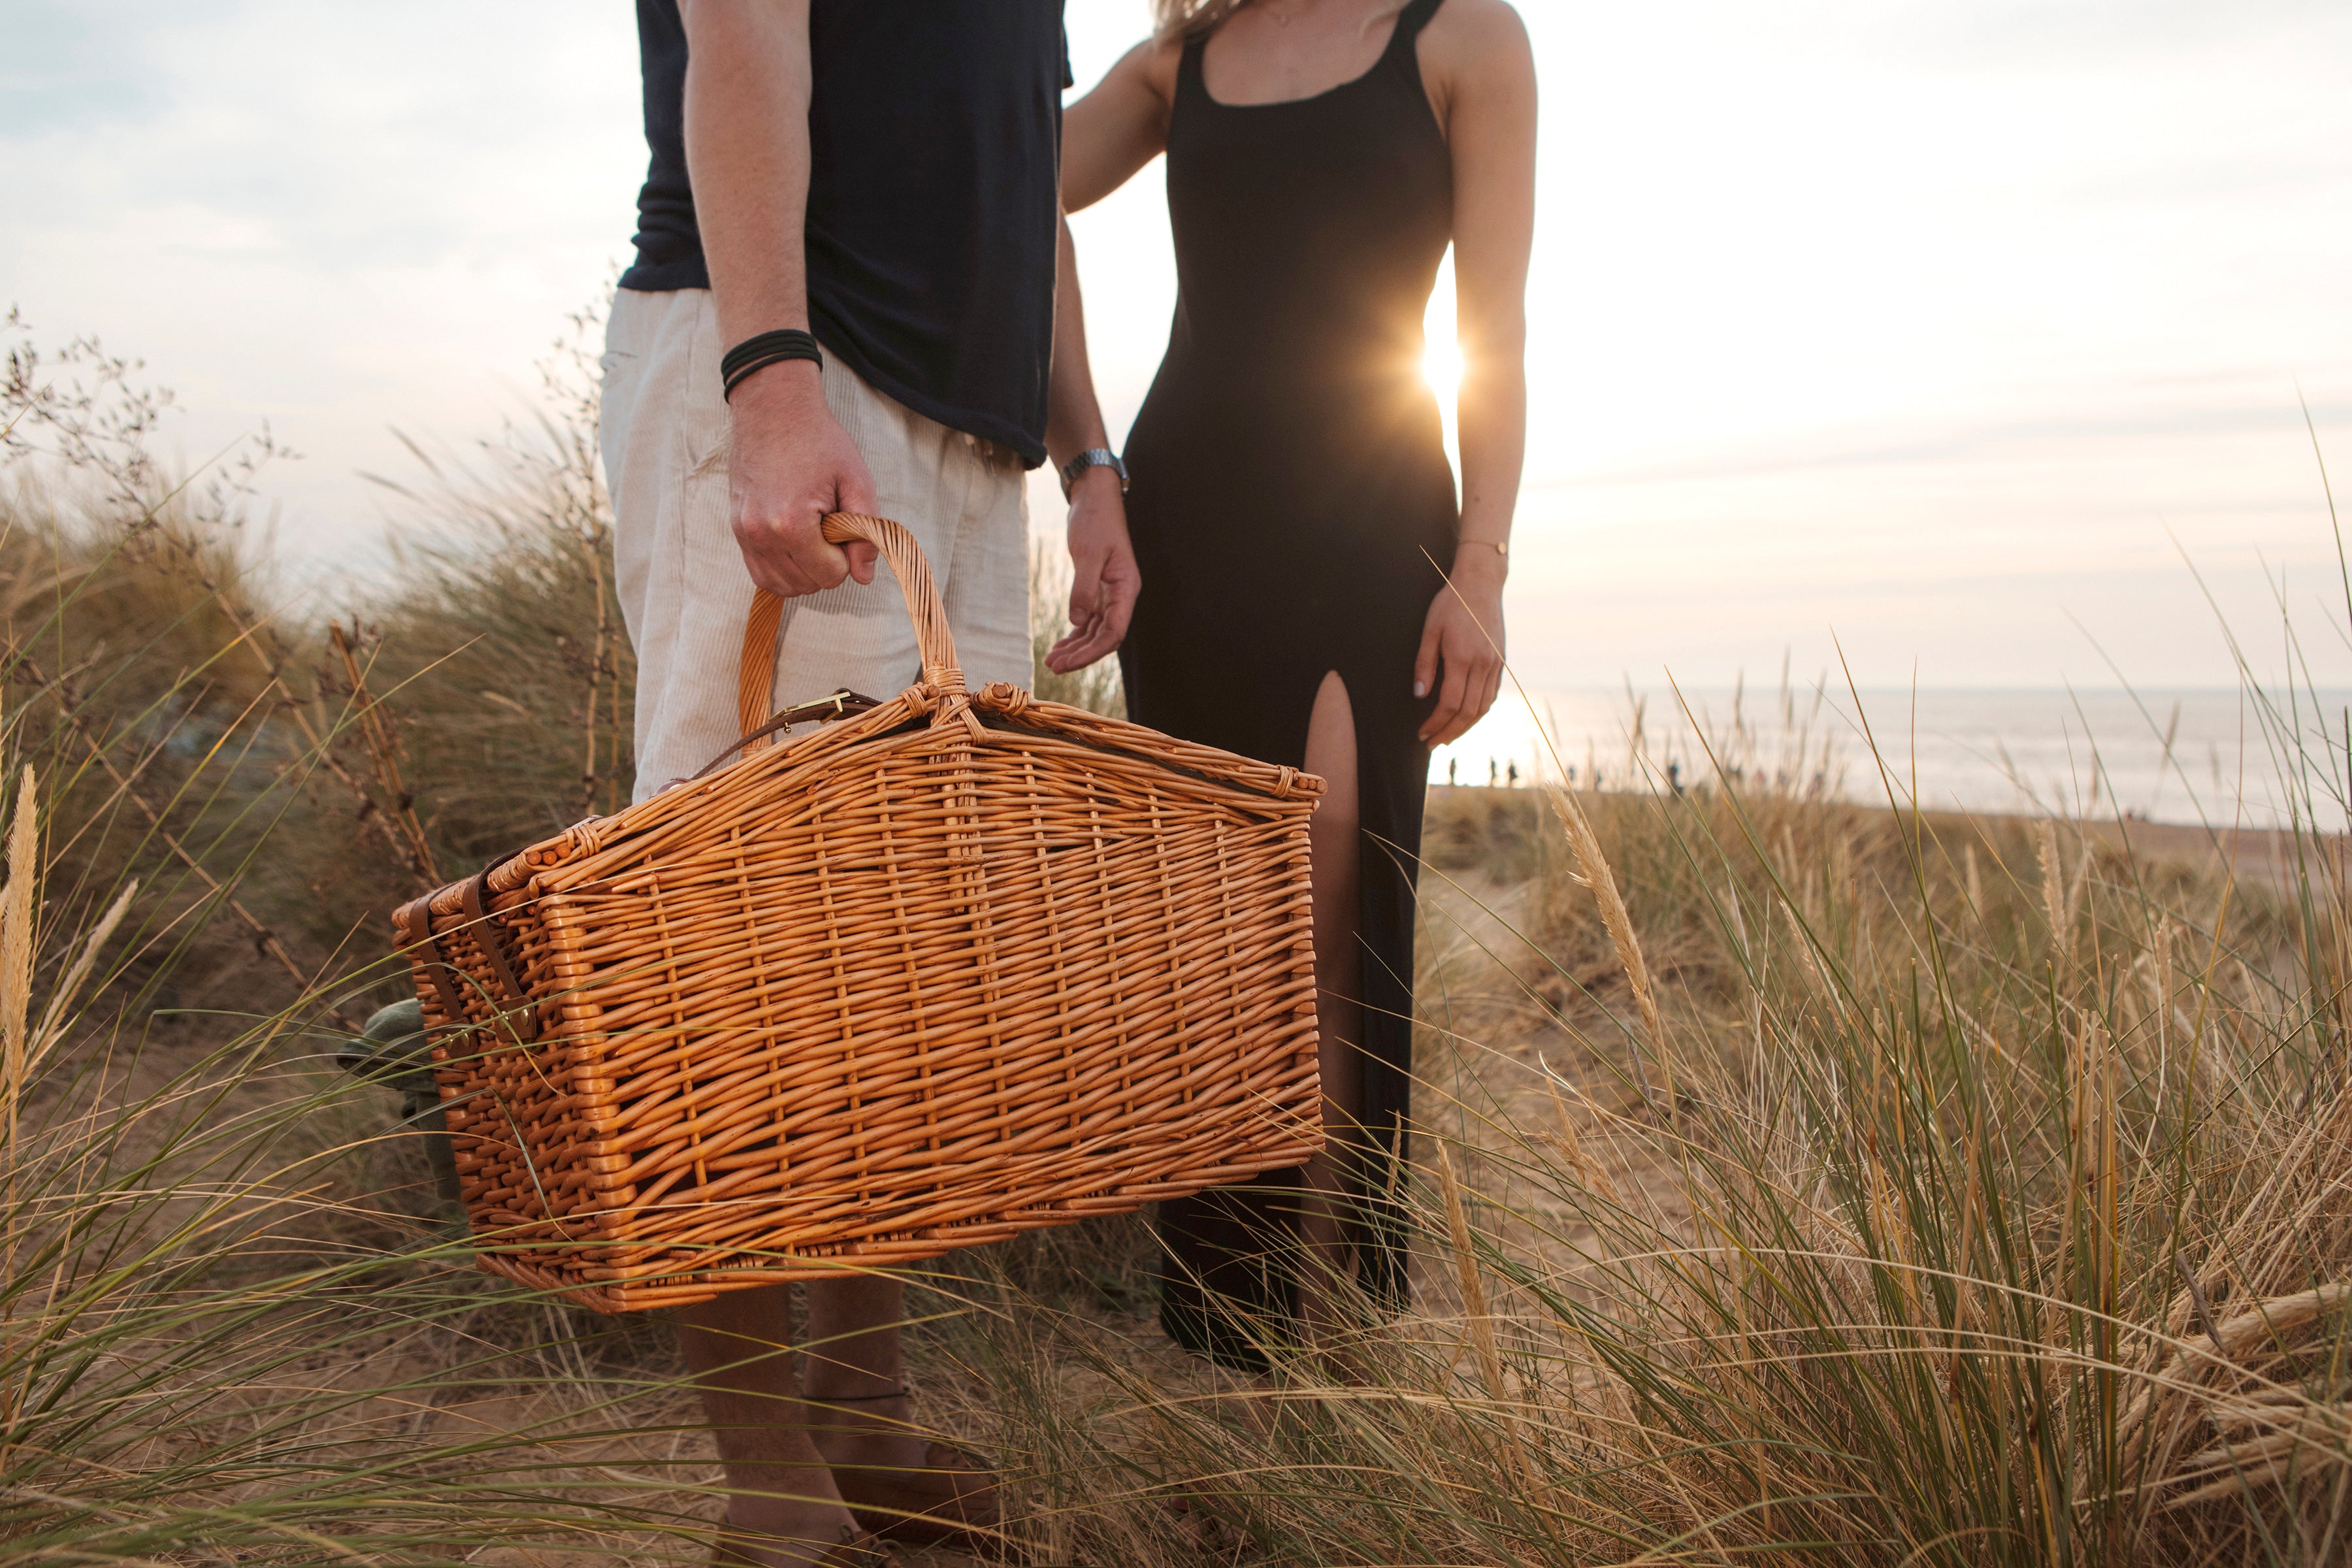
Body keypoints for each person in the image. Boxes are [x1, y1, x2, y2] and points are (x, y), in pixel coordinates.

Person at [598, 3, 1136, 1562]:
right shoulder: (777, 374)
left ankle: (861, 1415)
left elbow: (1024, 182)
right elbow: (743, 34)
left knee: (908, 970)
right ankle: (770, 1485)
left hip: (973, 447)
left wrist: (1089, 461)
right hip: (801, 364)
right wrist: (769, 376)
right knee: (739, 957)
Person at [1061, 0, 1534, 1372]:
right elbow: (1009, 184)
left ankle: (1329, 1330)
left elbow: (1493, 326)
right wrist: (1086, 453)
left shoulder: (1461, 39)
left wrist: (1483, 569)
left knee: (1329, 902)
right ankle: (1223, 1339)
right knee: (1214, 937)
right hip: (1192, 526)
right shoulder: (1179, 62)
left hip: (1372, 519)